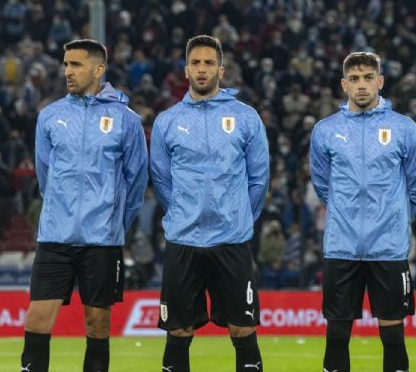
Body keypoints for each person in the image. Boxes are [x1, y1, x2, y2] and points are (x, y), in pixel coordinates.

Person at [21, 39, 149, 372]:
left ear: (98, 69)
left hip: (102, 241)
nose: (67, 71)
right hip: (55, 237)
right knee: (37, 320)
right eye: (65, 64)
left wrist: (113, 222)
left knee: (97, 326)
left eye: (75, 65)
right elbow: (44, 174)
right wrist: (59, 212)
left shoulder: (126, 119)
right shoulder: (50, 116)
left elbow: (136, 181)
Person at [150, 35, 269, 372]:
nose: (202, 69)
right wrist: (182, 213)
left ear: (221, 70)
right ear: (186, 70)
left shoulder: (245, 118)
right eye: (196, 63)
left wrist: (239, 216)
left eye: (209, 63)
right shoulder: (167, 121)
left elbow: (259, 179)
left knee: (242, 328)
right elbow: (161, 180)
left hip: (231, 239)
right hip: (183, 239)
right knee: (178, 330)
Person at [309, 52, 416, 372]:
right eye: (355, 79)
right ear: (344, 84)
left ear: (380, 81)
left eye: (368, 78)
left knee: (392, 336)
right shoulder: (325, 130)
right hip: (341, 246)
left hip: (388, 247)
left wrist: (395, 218)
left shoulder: (405, 129)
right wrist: (344, 213)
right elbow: (323, 186)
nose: (362, 85)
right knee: (336, 334)